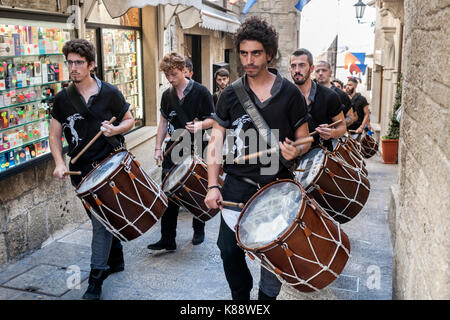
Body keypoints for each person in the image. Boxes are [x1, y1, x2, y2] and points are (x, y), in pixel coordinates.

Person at [204, 17, 311, 300]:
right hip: (237, 184)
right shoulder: (229, 94)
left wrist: (296, 150)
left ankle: (266, 300)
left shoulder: (290, 94)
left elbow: (305, 139)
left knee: (274, 253)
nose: (248, 60)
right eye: (243, 53)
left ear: (269, 54)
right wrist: (213, 185)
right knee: (228, 248)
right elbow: (215, 141)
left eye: (256, 53)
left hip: (276, 186)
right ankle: (240, 297)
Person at [49, 39, 135, 300]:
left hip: (111, 168)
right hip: (81, 171)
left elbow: (130, 120)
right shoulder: (63, 99)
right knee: (103, 219)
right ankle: (116, 259)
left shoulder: (109, 93)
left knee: (100, 223)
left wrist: (116, 129)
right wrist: (59, 163)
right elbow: (54, 136)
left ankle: (95, 279)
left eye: (78, 62)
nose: (73, 67)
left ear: (91, 65)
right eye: (70, 62)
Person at [147, 52, 215, 251]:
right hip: (174, 148)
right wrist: (158, 147)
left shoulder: (201, 92)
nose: (170, 79)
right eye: (167, 75)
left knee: (197, 190)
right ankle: (167, 238)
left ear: (184, 70)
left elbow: (215, 120)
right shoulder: (167, 95)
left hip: (197, 147)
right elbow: (163, 123)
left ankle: (199, 229)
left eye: (174, 74)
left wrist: (201, 124)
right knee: (168, 192)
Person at [289, 49, 346, 151]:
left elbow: (342, 126)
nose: (297, 70)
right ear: (290, 69)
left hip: (321, 157)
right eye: (293, 66)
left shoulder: (329, 96)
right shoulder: (284, 96)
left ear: (311, 69)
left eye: (302, 65)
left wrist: (332, 133)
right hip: (290, 157)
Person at [315, 61, 356, 127]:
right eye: (317, 71)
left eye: (324, 70)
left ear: (330, 73)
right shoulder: (310, 92)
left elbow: (350, 118)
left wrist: (333, 127)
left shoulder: (341, 94)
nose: (320, 73)